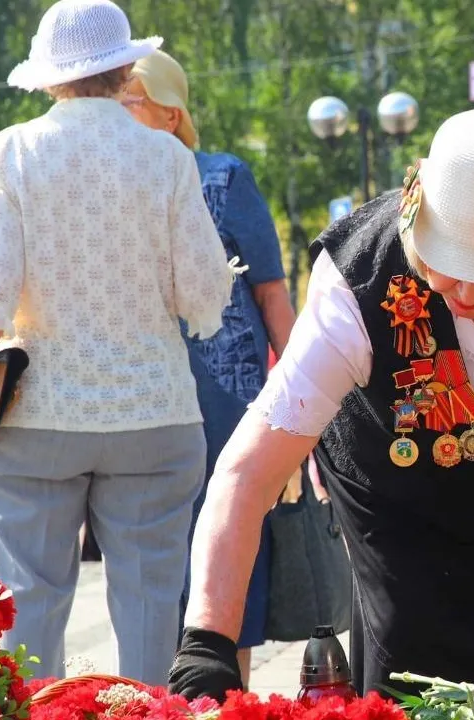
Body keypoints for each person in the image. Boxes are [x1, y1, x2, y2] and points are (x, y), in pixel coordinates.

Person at [168, 108, 474, 700]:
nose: (470, 294)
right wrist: (208, 644)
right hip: (390, 477)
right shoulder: (355, 280)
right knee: (411, 648)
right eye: (454, 263)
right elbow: (248, 472)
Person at [0, 0, 235, 684]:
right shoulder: (165, 156)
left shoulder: (9, 152)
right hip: (154, 412)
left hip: (36, 415)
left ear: (49, 79)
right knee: (149, 606)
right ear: (126, 68)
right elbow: (200, 292)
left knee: (29, 608)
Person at [122, 49, 297, 678]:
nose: (111, 116)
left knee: (227, 533)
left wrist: (304, 391)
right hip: (140, 389)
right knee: (150, 552)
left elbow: (272, 292)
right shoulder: (107, 182)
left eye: (126, 102)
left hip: (224, 395)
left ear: (170, 116)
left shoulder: (221, 178)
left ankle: (229, 692)